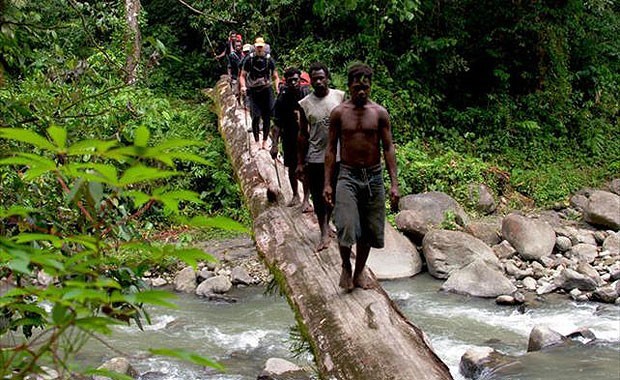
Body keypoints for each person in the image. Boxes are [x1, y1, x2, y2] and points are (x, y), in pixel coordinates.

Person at [324, 63, 399, 292]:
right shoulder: (339, 113)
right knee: (346, 226)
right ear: (349, 86)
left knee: (368, 229)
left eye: (365, 87)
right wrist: (327, 183)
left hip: (373, 177)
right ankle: (346, 266)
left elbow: (388, 148)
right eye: (357, 87)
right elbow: (330, 148)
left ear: (370, 86)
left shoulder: (379, 113)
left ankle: (359, 272)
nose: (361, 91)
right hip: (347, 175)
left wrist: (394, 184)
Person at [297, 62, 345, 251]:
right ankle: (324, 231)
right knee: (317, 195)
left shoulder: (339, 97)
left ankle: (330, 223)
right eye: (315, 78)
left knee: (335, 192)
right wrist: (300, 162)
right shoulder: (305, 104)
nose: (318, 81)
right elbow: (302, 133)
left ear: (327, 78)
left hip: (339, 155)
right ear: (310, 81)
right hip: (316, 155)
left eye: (321, 78)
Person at [271, 67, 312, 211]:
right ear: (286, 82)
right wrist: (274, 144)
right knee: (291, 166)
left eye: (296, 79)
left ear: (300, 80)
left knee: (306, 166)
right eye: (291, 80)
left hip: (305, 136)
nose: (294, 83)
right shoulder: (282, 97)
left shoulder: (306, 94)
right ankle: (295, 195)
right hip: (288, 135)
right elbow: (276, 123)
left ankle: (306, 199)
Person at [239, 37, 280, 150]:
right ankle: (256, 142)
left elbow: (275, 76)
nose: (259, 49)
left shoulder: (269, 59)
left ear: (264, 47)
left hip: (266, 90)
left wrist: (278, 88)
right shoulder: (249, 59)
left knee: (267, 117)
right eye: (258, 47)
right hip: (253, 91)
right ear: (255, 47)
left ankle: (265, 141)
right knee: (256, 117)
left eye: (261, 47)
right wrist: (243, 86)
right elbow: (242, 76)